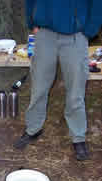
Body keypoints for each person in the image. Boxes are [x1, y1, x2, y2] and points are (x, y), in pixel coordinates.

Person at [14, 0, 102, 161]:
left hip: (75, 35)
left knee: (76, 91)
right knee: (39, 87)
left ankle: (78, 137)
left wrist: (90, 30)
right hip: (45, 34)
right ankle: (33, 129)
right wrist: (32, 22)